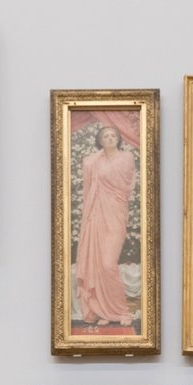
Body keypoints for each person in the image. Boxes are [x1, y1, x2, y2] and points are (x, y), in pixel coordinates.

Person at [74, 126, 137, 326]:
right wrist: (98, 158)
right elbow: (89, 179)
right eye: (105, 136)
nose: (109, 138)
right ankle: (103, 311)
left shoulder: (125, 158)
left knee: (108, 264)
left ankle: (121, 311)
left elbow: (123, 182)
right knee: (97, 263)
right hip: (97, 214)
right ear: (100, 141)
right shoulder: (95, 160)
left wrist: (100, 159)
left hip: (116, 213)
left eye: (112, 135)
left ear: (118, 139)